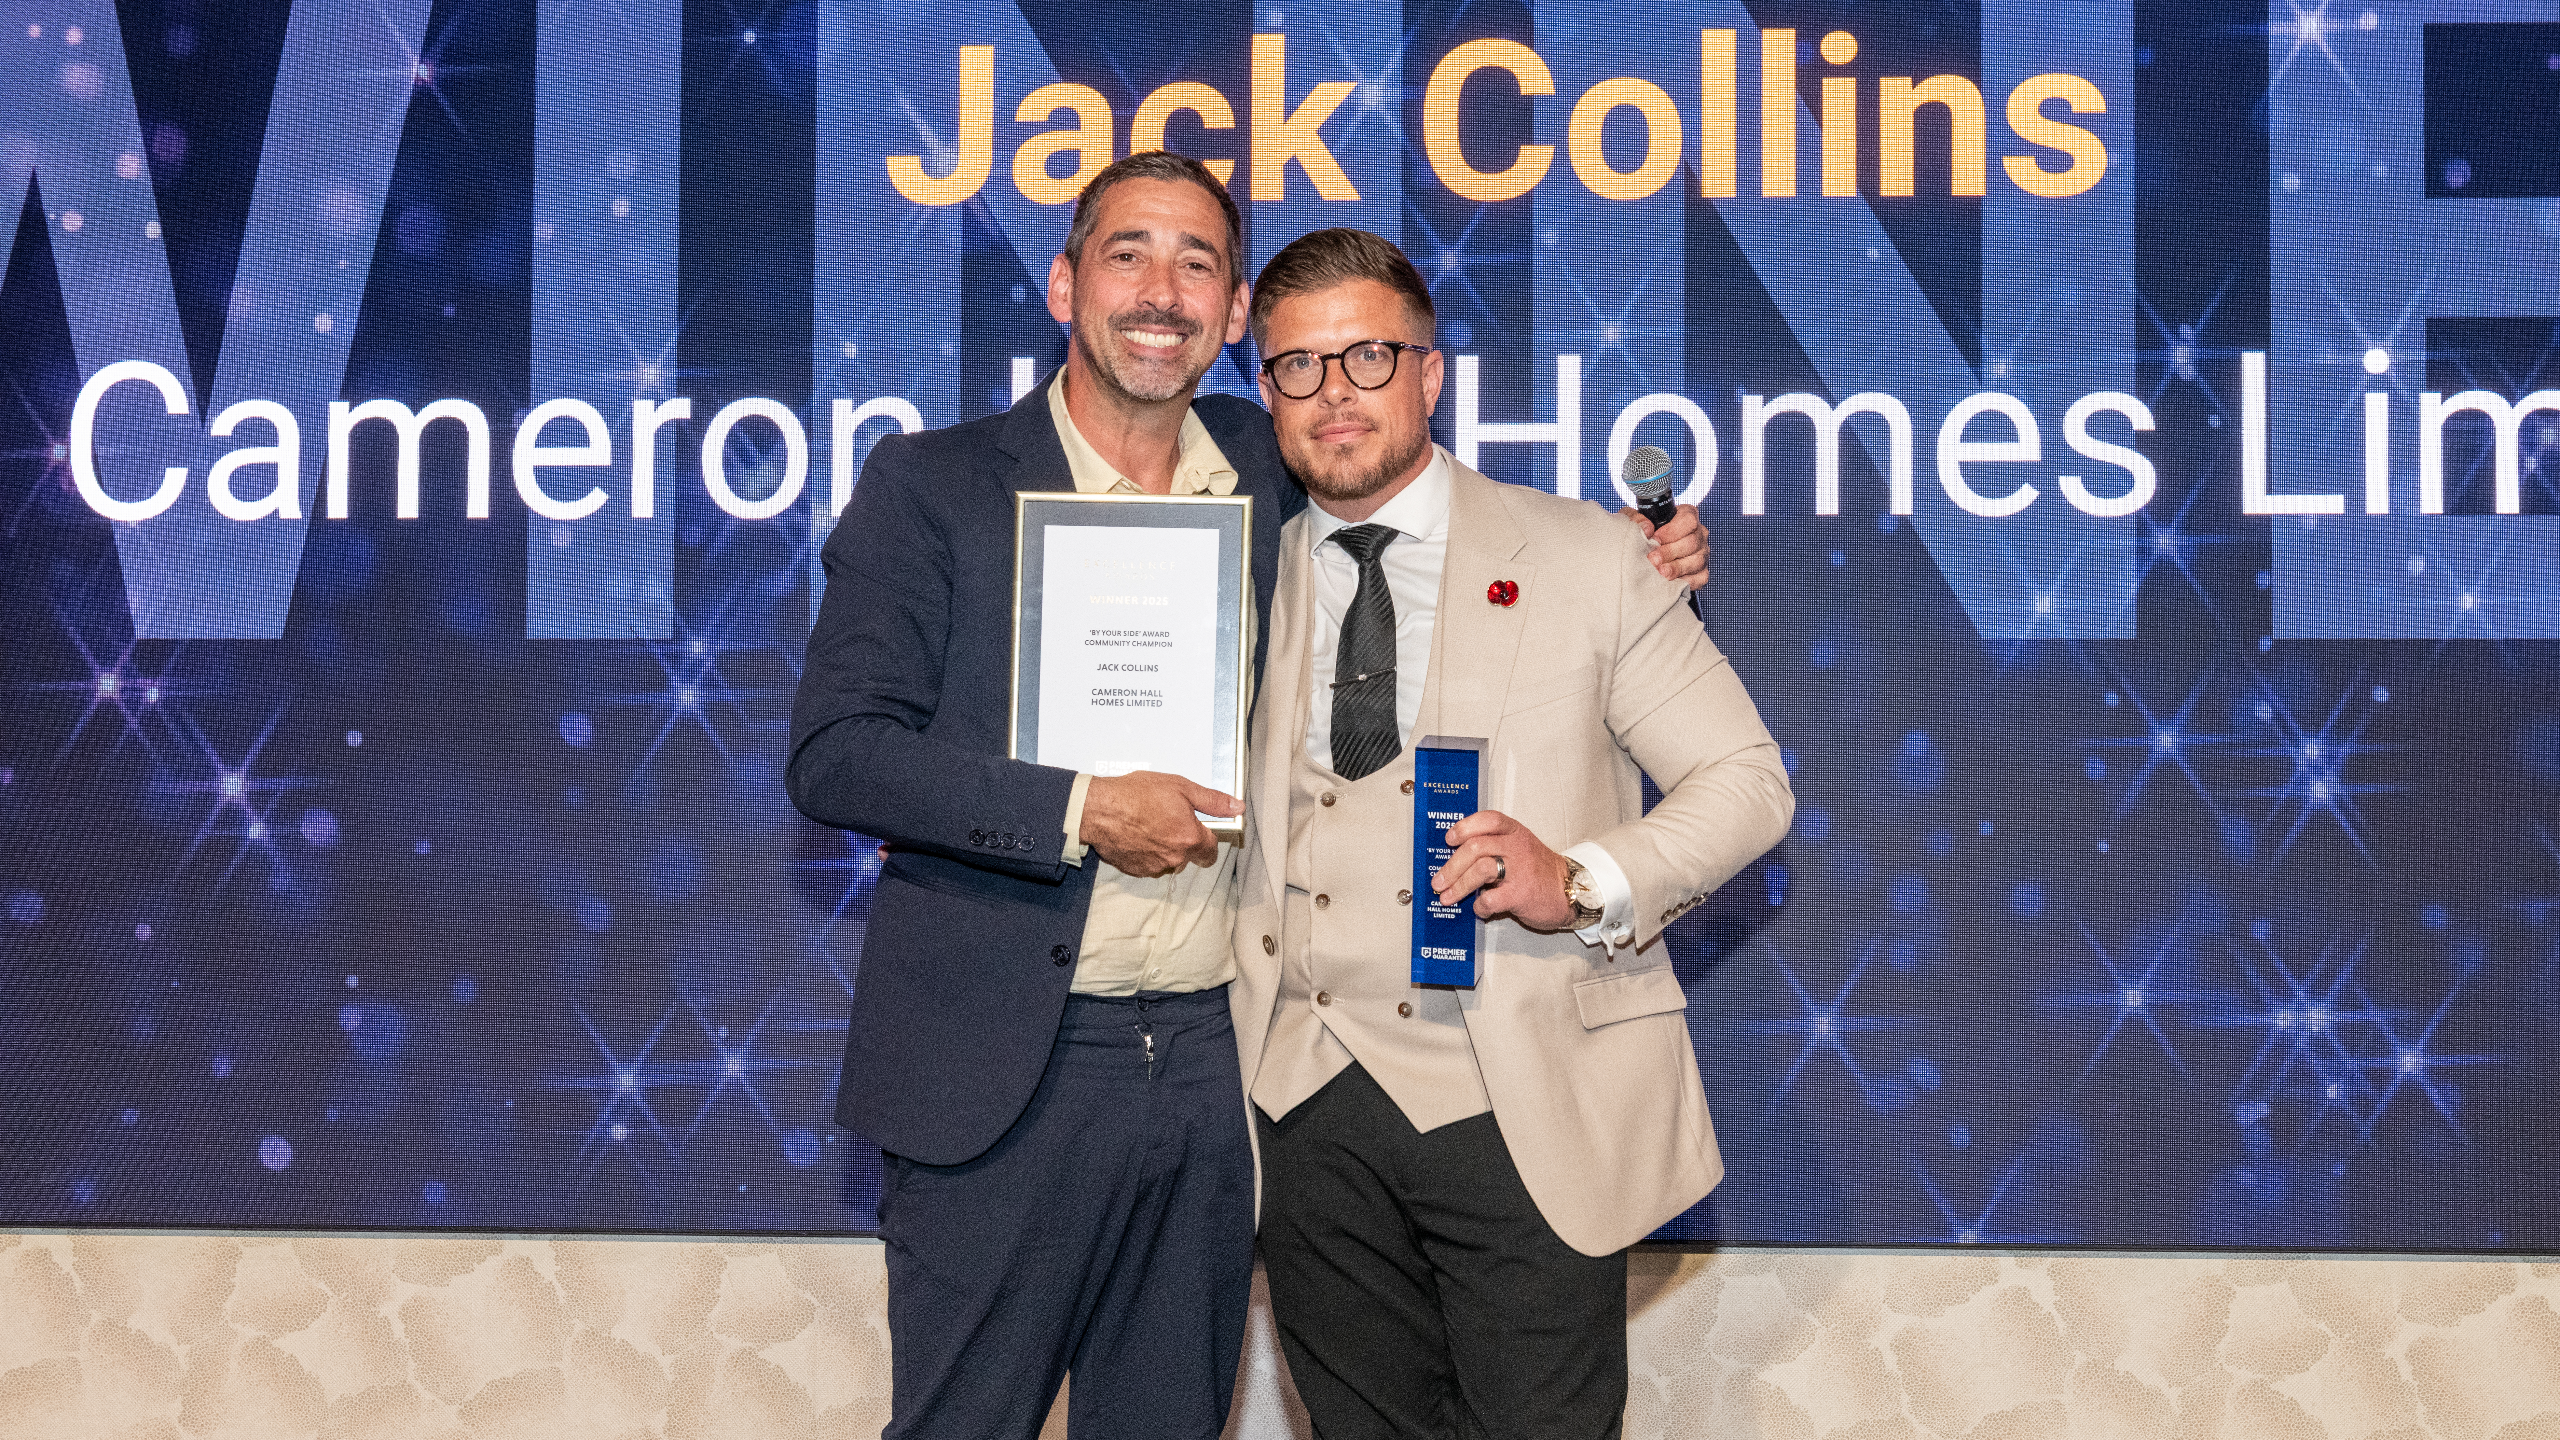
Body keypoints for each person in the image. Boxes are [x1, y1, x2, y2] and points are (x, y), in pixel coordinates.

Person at [789, 157, 1712, 1438]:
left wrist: (1623, 550)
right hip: (1006, 1069)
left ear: (1232, 321)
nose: (1159, 290)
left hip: (1223, 1072)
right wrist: (1077, 808)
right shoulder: (932, 486)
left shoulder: (1271, 472)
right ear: (1064, 282)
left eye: (1197, 264)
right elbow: (837, 753)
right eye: (1127, 254)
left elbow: (1436, 522)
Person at [1229, 228, 1794, 1440]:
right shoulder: (1235, 573)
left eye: (1369, 358)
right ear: (1262, 390)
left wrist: (1584, 879)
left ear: (1432, 376)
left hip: (1521, 1094)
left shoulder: (1591, 558)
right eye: (1296, 368)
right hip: (1298, 1107)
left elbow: (1746, 782)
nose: (1334, 396)